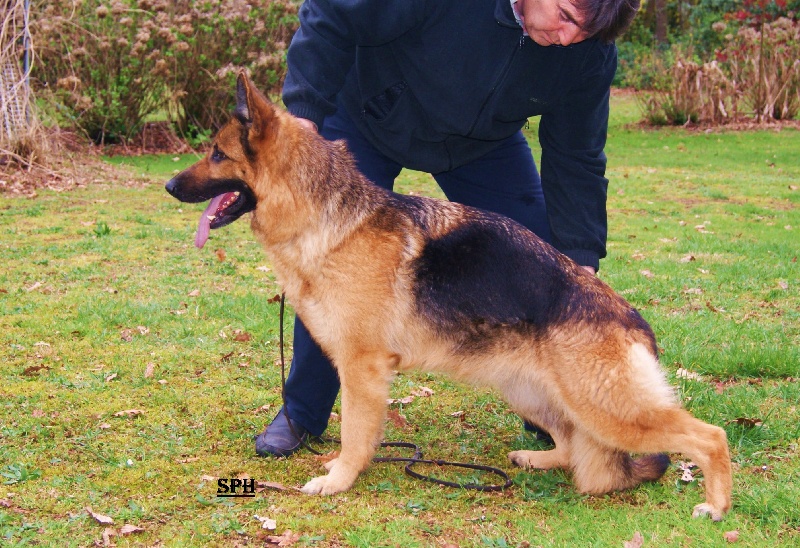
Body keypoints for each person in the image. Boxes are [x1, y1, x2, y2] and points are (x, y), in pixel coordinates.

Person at [255, 0, 640, 457]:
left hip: (481, 146)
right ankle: (302, 413)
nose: (568, 38)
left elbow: (577, 155)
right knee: (340, 271)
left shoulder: (587, 52)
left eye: (586, 33)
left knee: (547, 254)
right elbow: (332, 12)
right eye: (567, 17)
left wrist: (582, 256)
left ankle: (555, 410)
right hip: (366, 116)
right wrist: (304, 111)